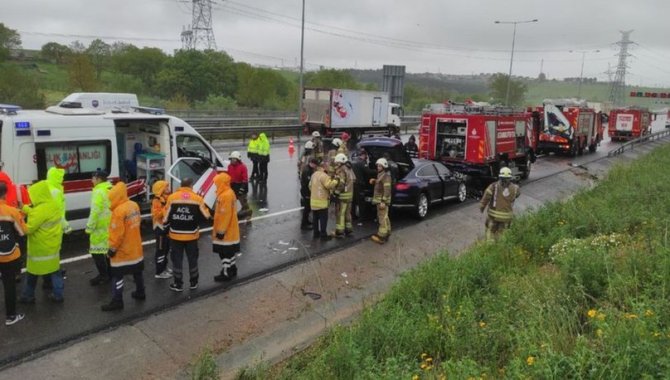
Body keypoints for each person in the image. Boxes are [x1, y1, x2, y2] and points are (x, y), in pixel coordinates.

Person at [101, 182, 145, 311]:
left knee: (117, 276)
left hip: (123, 251)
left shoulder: (118, 211)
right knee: (137, 272)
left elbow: (117, 234)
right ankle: (140, 292)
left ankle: (117, 301)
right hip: (136, 248)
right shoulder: (134, 205)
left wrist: (111, 250)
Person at [19, 180, 64, 303]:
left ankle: (28, 296)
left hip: (39, 249)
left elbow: (28, 229)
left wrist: (19, 219)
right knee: (55, 271)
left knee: (32, 274)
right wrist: (23, 207)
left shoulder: (39, 211)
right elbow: (37, 213)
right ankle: (58, 295)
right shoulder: (53, 204)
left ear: (38, 194)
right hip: (53, 245)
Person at [163, 178, 211, 292]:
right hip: (191, 236)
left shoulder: (172, 197)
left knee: (177, 260)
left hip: (175, 235)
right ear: (191, 185)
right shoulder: (197, 198)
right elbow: (206, 216)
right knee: (192, 259)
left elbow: (165, 218)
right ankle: (193, 282)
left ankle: (178, 284)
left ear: (181, 185)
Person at [0, 182, 27, 325]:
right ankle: (11, 316)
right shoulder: (12, 211)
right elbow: (23, 232)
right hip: (9, 255)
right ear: (5, 194)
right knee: (9, 285)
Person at [85, 170, 113, 286]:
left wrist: (89, 228)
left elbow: (95, 211)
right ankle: (110, 274)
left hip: (99, 228)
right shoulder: (111, 188)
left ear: (98, 179)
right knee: (107, 251)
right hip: (110, 225)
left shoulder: (98, 192)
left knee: (96, 253)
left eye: (93, 178)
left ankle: (103, 276)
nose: (91, 181)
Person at [211, 172, 241, 282]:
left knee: (224, 252)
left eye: (216, 183)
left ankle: (226, 272)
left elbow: (225, 215)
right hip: (231, 229)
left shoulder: (225, 195)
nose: (215, 185)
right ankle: (232, 268)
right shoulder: (229, 192)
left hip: (226, 231)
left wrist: (221, 231)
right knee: (229, 252)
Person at [479, 167, 520, 241]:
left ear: (500, 177)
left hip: (493, 217)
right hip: (506, 218)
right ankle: (500, 248)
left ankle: (490, 247)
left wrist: (482, 207)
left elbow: (486, 197)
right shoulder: (515, 188)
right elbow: (517, 195)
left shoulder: (493, 186)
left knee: (490, 232)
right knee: (503, 235)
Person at [309, 160, 339, 241]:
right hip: (321, 202)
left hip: (313, 202)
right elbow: (329, 185)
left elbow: (310, 186)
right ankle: (323, 235)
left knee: (315, 218)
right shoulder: (324, 175)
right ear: (324, 167)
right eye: (327, 166)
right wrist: (336, 181)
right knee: (323, 219)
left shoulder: (314, 175)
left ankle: (316, 234)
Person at [151, 180, 172, 279]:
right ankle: (159, 272)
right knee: (160, 250)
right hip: (160, 229)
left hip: (166, 228)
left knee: (166, 249)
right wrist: (167, 208)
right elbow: (157, 214)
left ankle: (164, 267)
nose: (168, 189)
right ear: (161, 190)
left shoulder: (166, 198)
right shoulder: (156, 200)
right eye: (166, 187)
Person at [370, 158, 392, 244]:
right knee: (385, 217)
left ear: (384, 167)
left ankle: (381, 237)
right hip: (381, 200)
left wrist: (383, 201)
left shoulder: (386, 176)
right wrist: (375, 181)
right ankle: (387, 232)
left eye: (380, 166)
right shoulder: (381, 175)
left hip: (381, 201)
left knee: (382, 218)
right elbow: (380, 184)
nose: (378, 167)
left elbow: (387, 189)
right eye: (378, 166)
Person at [333, 153, 356, 238]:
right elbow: (354, 179)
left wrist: (336, 192)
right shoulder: (349, 169)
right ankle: (349, 230)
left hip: (342, 197)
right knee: (347, 213)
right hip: (350, 196)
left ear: (340, 162)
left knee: (340, 214)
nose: (336, 164)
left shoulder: (341, 170)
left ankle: (340, 232)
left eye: (337, 162)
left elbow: (341, 184)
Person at [351, 149, 375, 220]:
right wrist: (376, 171)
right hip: (359, 184)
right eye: (366, 156)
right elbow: (368, 172)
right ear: (363, 155)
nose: (366, 158)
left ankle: (353, 215)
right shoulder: (362, 163)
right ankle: (362, 217)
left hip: (352, 184)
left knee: (353, 201)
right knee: (361, 201)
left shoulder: (353, 162)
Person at [228, 151, 252, 222]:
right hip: (233, 185)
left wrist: (241, 189)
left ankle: (248, 214)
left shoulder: (243, 167)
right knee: (232, 201)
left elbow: (245, 179)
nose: (232, 160)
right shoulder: (230, 166)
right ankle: (232, 214)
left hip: (241, 185)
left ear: (238, 159)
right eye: (231, 159)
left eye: (234, 159)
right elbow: (229, 176)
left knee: (243, 202)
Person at [300, 157, 316, 230]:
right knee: (307, 208)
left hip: (307, 191)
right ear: (312, 163)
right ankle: (304, 225)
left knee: (308, 208)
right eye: (314, 164)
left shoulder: (309, 169)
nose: (315, 166)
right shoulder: (307, 171)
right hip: (306, 191)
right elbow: (308, 182)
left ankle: (306, 221)